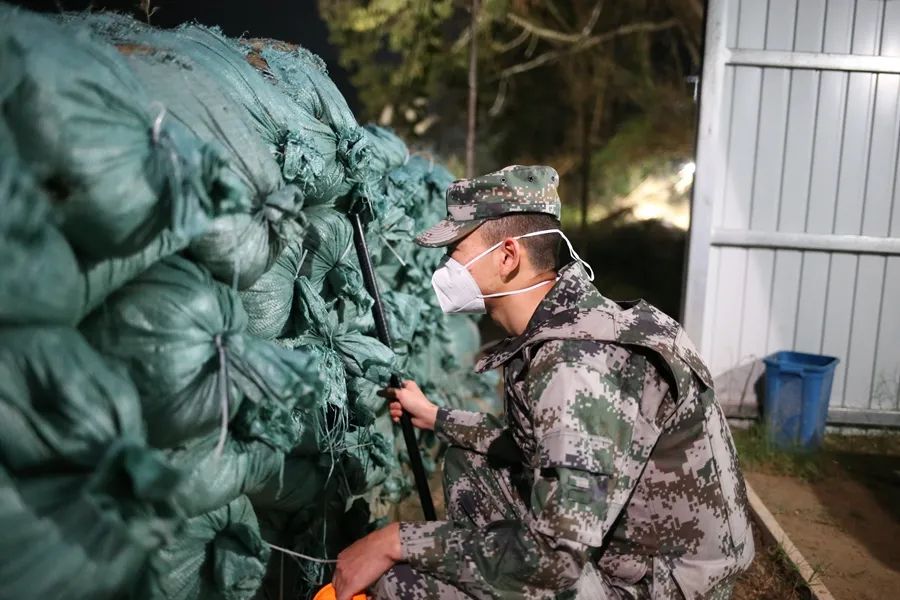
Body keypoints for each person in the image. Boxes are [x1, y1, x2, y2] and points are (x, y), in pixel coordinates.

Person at [332, 165, 754, 600]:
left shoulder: (577, 362)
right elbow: (538, 444)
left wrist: (399, 541)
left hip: (661, 585)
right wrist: (437, 418)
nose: (445, 268)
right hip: (634, 543)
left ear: (508, 257)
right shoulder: (574, 321)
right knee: (472, 461)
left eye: (456, 250)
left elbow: (557, 557)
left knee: (400, 585)